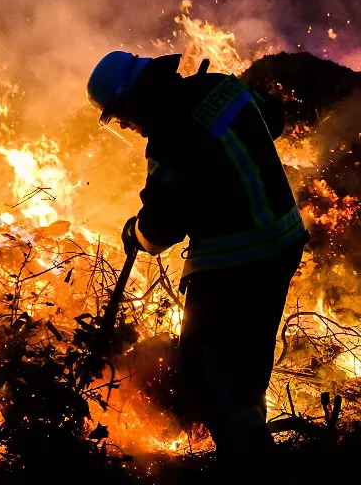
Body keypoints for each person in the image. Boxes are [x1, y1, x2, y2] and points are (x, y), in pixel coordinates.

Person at [86, 51, 309, 467]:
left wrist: (134, 232)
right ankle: (255, 441)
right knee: (248, 362)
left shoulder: (169, 138)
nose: (125, 126)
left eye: (121, 115)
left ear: (137, 96)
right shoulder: (222, 86)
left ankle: (250, 464)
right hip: (284, 241)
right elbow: (273, 120)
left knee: (207, 366)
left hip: (236, 260)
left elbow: (160, 230)